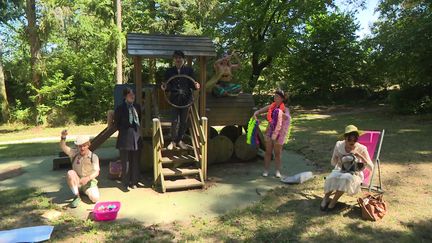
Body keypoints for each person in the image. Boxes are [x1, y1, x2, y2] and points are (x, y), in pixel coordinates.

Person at [320, 125, 374, 211]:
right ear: (345, 138)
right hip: (340, 169)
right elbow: (333, 162)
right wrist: (339, 160)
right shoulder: (338, 145)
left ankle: (333, 202)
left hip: (354, 172)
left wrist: (359, 155)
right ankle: (325, 198)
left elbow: (371, 167)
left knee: (346, 178)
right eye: (349, 139)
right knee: (332, 177)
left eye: (355, 139)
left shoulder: (362, 148)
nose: (352, 141)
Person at [162, 50, 200, 150]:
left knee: (183, 121)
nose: (178, 60)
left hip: (187, 99)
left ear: (184, 60)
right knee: (174, 121)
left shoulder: (189, 71)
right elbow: (167, 84)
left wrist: (196, 85)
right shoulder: (169, 71)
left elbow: (193, 84)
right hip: (174, 99)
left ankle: (179, 140)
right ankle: (173, 141)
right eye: (176, 58)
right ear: (174, 60)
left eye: (180, 58)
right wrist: (164, 87)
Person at [253, 90, 291, 178]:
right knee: (268, 152)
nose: (275, 97)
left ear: (282, 99)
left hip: (279, 134)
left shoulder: (285, 109)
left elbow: (288, 118)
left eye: (277, 96)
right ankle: (266, 170)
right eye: (275, 96)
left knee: (277, 153)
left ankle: (277, 171)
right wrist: (255, 114)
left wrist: (282, 115)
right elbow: (259, 111)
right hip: (269, 132)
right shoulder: (271, 106)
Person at [60, 131, 100, 208]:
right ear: (77, 146)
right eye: (79, 146)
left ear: (88, 145)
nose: (82, 148)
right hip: (77, 180)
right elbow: (63, 147)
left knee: (95, 198)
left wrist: (87, 178)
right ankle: (76, 195)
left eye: (84, 146)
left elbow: (96, 172)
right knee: (70, 173)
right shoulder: (74, 153)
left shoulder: (93, 157)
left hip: (88, 182)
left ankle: (84, 191)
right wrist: (63, 137)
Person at [114, 87, 142, 190]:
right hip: (125, 137)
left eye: (133, 94)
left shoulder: (137, 107)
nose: (133, 96)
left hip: (136, 137)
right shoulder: (120, 108)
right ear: (125, 96)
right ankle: (125, 182)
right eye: (130, 94)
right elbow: (116, 124)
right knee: (125, 161)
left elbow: (140, 120)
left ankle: (134, 182)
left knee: (135, 161)